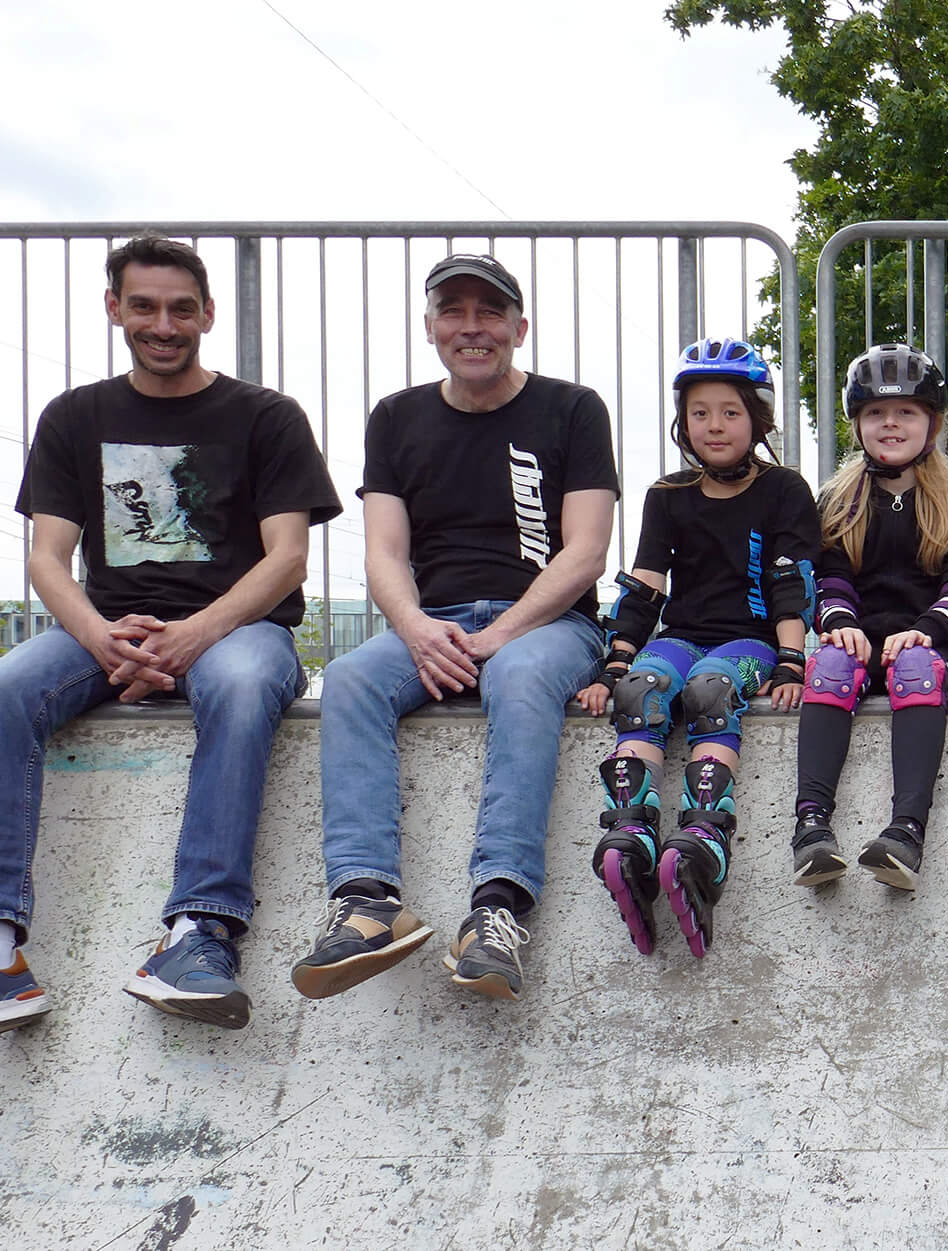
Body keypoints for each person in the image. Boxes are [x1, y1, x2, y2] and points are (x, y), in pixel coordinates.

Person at [0, 233, 338, 1030]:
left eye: (181, 308)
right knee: (10, 685)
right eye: (144, 305)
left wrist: (192, 635)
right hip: (106, 627)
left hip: (240, 629)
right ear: (114, 307)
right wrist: (100, 638)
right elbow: (48, 558)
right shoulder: (75, 415)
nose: (163, 323)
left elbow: (288, 558)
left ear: (207, 314)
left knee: (244, 680)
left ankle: (199, 932)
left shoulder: (266, 416)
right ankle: (3, 941)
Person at [293, 252, 616, 1003]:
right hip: (432, 623)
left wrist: (502, 631)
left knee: (519, 673)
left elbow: (586, 551)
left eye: (489, 312)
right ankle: (367, 900)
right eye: (454, 312)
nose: (472, 327)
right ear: (432, 326)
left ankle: (496, 910)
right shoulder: (397, 416)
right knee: (348, 678)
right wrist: (412, 628)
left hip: (549, 621)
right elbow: (384, 551)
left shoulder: (572, 409)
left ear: (519, 327)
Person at [580, 339, 817, 958]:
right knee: (642, 689)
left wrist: (792, 660)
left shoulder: (785, 489)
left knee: (710, 689)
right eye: (700, 412)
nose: (714, 425)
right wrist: (615, 665)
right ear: (683, 422)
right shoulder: (667, 495)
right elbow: (645, 585)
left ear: (757, 419)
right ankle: (631, 830)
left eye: (730, 412)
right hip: (680, 634)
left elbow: (791, 583)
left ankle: (706, 834)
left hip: (751, 639)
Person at [788, 345, 948, 893]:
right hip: (860, 640)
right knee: (827, 663)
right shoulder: (836, 499)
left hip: (931, 643)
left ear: (933, 423)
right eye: (876, 413)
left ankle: (905, 832)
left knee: (917, 665)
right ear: (857, 424)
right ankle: (811, 828)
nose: (890, 423)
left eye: (907, 413)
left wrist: (928, 628)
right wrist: (838, 621)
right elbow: (827, 580)